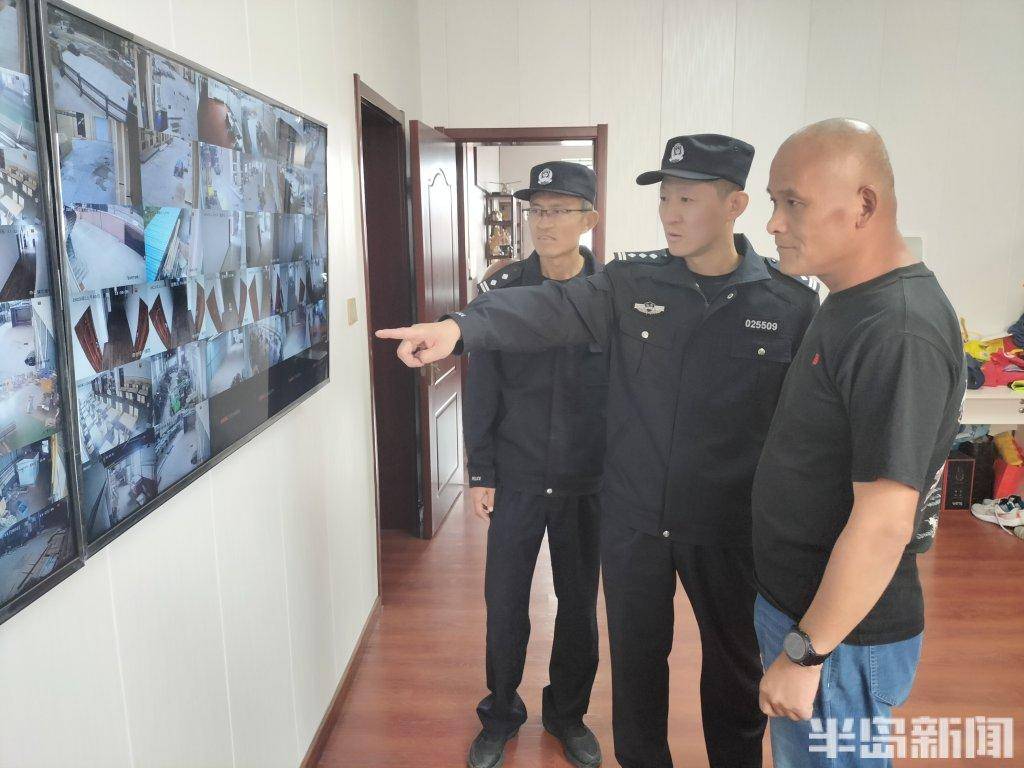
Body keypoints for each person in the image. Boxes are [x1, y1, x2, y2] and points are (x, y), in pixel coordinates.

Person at [377, 135, 819, 768]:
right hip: (634, 518)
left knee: (733, 669)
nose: (669, 214)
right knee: (636, 668)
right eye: (664, 199)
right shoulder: (630, 283)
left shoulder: (790, 304)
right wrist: (459, 328)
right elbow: (551, 307)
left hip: (726, 525)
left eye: (687, 199)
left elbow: (798, 433)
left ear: (735, 205)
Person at [753, 118, 967, 768]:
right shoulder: (849, 300)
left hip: (840, 639)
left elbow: (883, 524)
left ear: (864, 205)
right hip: (806, 613)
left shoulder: (897, 330)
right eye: (774, 201)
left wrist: (805, 653)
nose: (774, 223)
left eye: (794, 202)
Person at [465, 161, 606, 768]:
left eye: (558, 211)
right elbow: (482, 387)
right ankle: (500, 711)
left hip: (587, 480)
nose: (543, 223)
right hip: (517, 475)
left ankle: (567, 714)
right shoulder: (501, 291)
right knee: (504, 602)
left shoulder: (612, 296)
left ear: (588, 219)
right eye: (536, 211)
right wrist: (480, 471)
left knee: (578, 606)